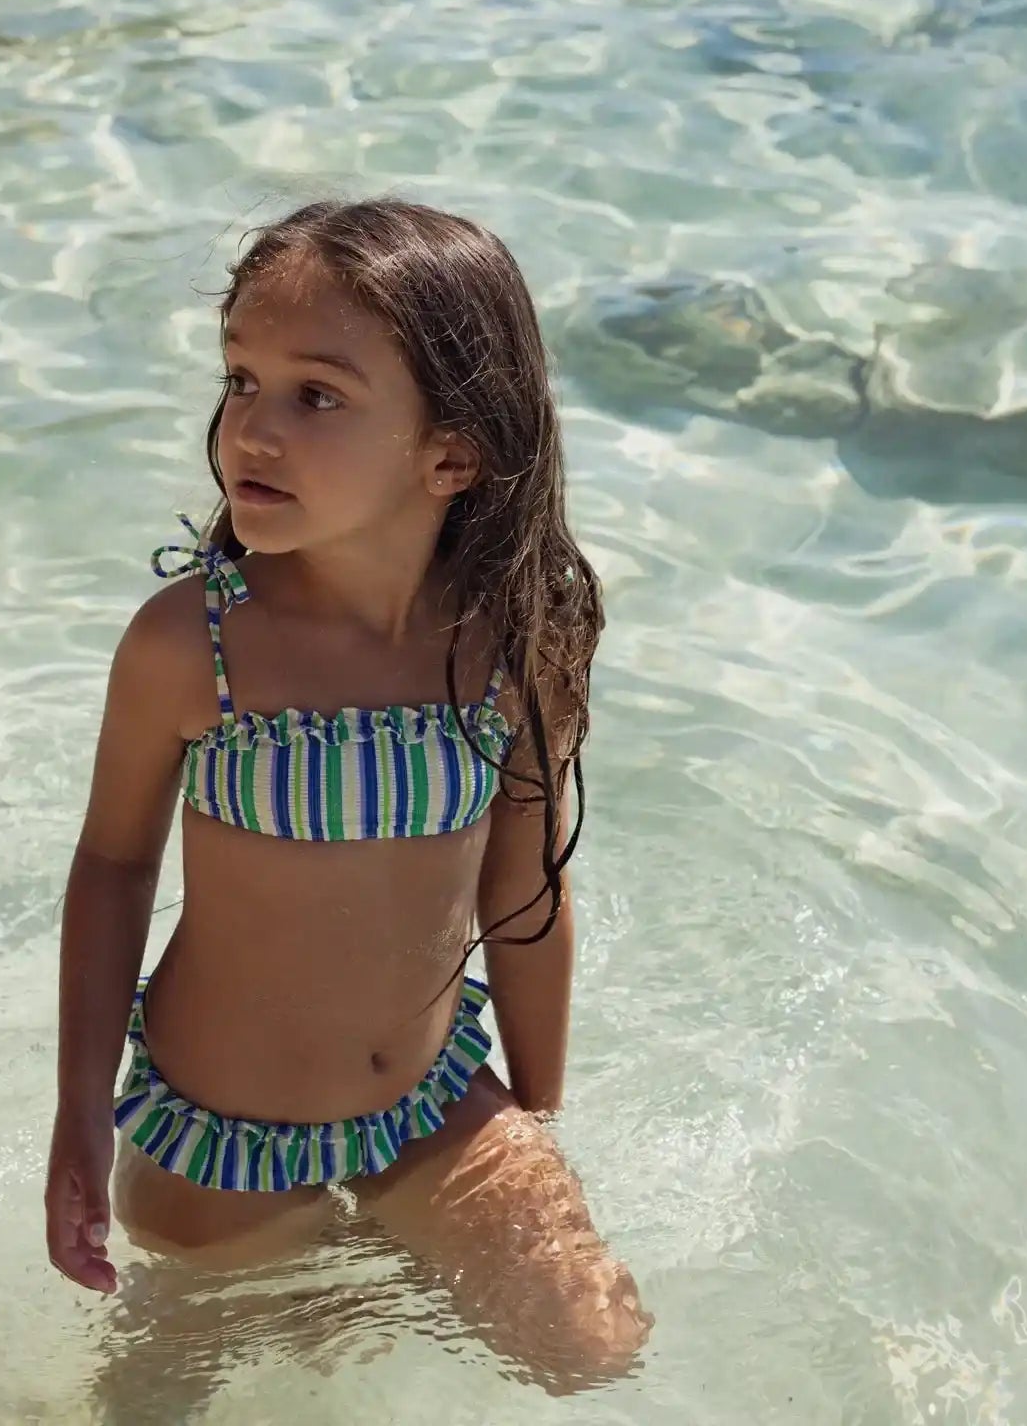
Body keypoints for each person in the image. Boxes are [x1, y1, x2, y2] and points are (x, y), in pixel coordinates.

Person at [45, 197, 650, 1393]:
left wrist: (536, 1108)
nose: (250, 430)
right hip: (218, 1148)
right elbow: (113, 865)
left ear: (452, 452)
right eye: (239, 380)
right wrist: (77, 1112)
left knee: (595, 1352)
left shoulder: (522, 637)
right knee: (167, 1405)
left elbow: (524, 885)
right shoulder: (194, 644)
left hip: (428, 1104)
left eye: (314, 395)